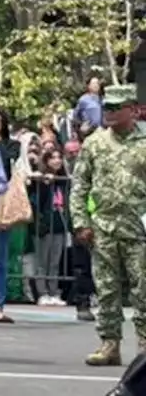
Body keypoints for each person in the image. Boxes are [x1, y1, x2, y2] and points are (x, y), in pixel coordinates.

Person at [70, 83, 146, 367]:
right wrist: (80, 222)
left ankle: (144, 346)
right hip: (103, 228)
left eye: (116, 107)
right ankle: (109, 344)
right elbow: (79, 185)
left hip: (139, 230)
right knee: (106, 289)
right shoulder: (96, 143)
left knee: (144, 289)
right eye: (107, 107)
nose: (110, 112)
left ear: (133, 110)